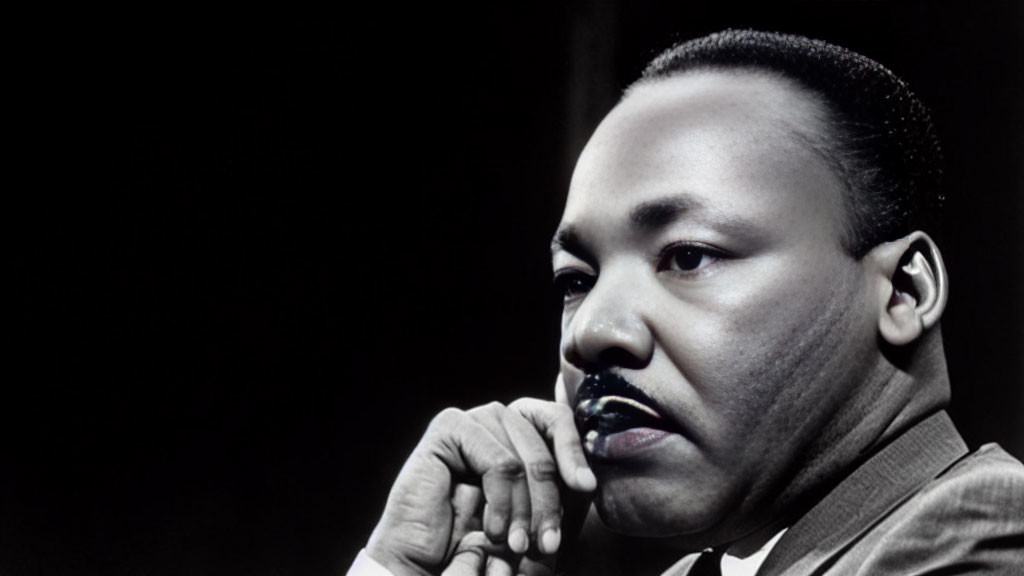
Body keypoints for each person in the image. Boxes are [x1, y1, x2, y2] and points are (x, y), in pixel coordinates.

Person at [347, 30, 1024, 576]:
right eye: (575, 279)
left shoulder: (984, 529)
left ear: (906, 291)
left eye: (687, 256)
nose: (591, 331)